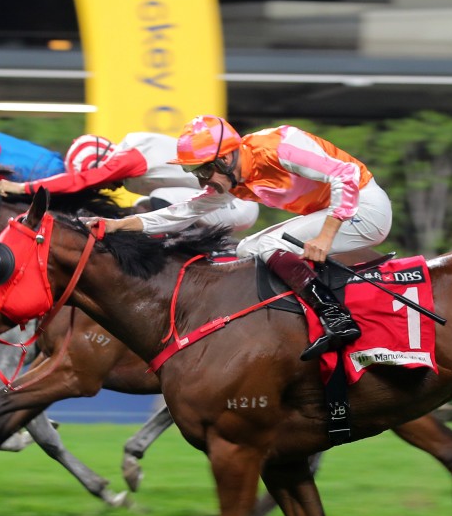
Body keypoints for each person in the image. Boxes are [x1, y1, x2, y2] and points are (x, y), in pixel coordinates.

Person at [90, 115, 392, 360]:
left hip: (366, 209)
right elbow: (181, 212)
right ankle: (305, 318)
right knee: (248, 248)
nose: (201, 180)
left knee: (269, 245)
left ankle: (336, 317)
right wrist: (117, 225)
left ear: (225, 160)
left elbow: (346, 175)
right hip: (336, 213)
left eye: (203, 171)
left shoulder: (280, 147)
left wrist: (326, 236)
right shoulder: (236, 179)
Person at [0, 132, 258, 232]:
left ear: (103, 161)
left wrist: (21, 188)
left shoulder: (131, 155)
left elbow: (85, 179)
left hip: (238, 205)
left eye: (101, 183)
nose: (104, 188)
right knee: (142, 205)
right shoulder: (129, 165)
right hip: (217, 207)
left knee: (157, 200)